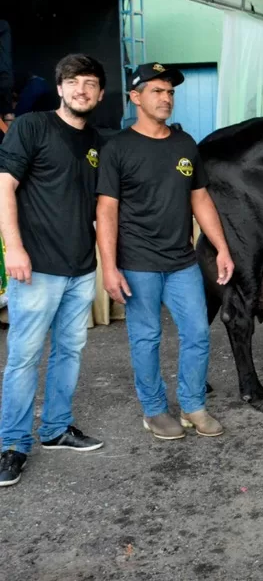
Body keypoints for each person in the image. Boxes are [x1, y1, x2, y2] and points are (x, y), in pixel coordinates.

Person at [96, 63, 234, 441]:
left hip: (182, 261)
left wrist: (221, 247)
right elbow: (106, 209)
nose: (166, 98)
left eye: (170, 92)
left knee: (197, 334)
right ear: (136, 97)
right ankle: (155, 410)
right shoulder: (118, 147)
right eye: (157, 91)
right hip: (138, 262)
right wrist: (109, 267)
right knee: (146, 338)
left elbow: (200, 198)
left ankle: (192, 405)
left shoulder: (184, 144)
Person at [0, 54, 107, 488]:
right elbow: (4, 187)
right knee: (24, 357)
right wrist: (14, 249)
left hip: (81, 269)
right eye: (74, 81)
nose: (82, 89)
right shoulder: (31, 127)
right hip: (36, 267)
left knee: (69, 352)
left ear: (100, 93)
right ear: (60, 88)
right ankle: (12, 444)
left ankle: (56, 428)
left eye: (91, 83)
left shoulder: (97, 142)